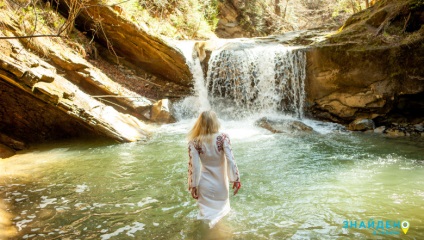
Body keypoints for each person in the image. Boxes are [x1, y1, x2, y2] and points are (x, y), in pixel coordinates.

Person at [187, 110, 241, 228]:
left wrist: (193, 185)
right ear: (215, 122)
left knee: (205, 218)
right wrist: (236, 179)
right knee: (221, 216)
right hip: (221, 184)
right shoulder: (224, 138)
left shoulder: (194, 142)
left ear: (200, 123)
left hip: (205, 184)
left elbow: (194, 166)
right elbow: (231, 159)